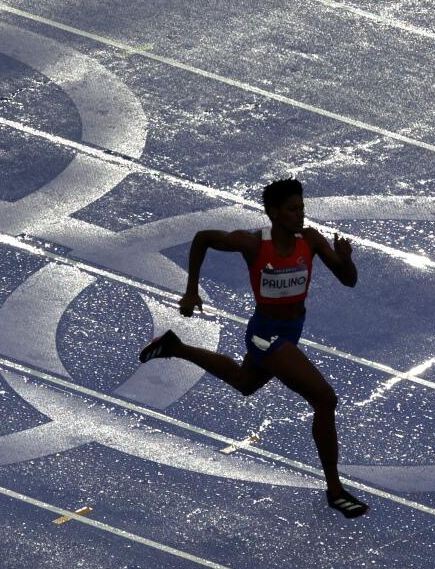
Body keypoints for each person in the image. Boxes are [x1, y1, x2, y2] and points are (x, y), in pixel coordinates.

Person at [135, 178, 369, 517]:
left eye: (302, 207)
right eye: (292, 209)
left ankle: (176, 347)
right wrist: (191, 291)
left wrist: (346, 259)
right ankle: (334, 489)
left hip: (291, 332)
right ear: (273, 213)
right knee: (324, 398)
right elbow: (203, 239)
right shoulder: (254, 244)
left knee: (246, 382)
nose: (300, 215)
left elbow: (348, 280)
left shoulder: (312, 240)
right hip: (264, 334)